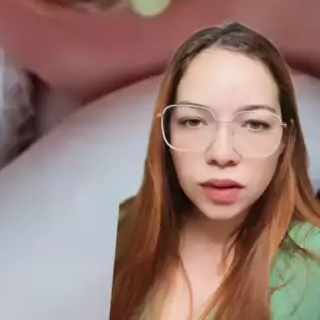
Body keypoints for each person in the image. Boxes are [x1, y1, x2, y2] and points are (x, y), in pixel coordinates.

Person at [110, 21, 320, 320]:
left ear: (286, 140)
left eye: (254, 124)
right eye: (194, 122)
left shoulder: (312, 266)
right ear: (165, 132)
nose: (222, 154)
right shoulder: (116, 232)